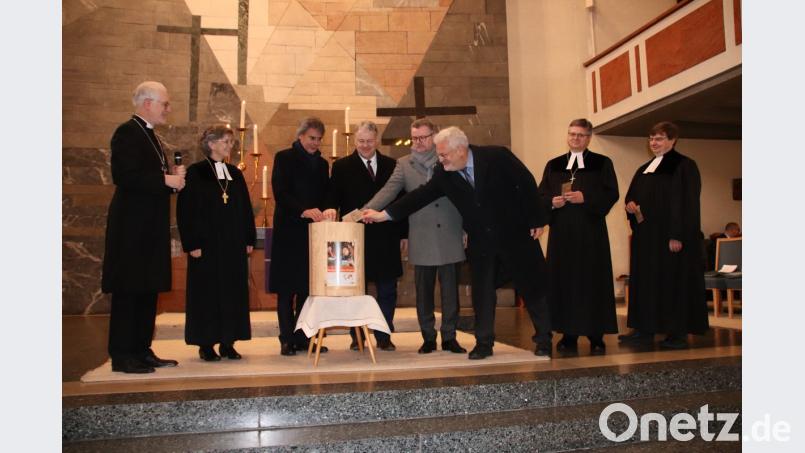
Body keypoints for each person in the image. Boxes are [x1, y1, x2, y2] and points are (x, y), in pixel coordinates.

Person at [363, 126, 553, 359]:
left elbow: (526, 182)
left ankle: (543, 339)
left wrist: (537, 219)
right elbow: (420, 196)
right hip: (482, 242)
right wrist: (384, 215)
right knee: (482, 293)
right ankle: (484, 344)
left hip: (516, 235)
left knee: (531, 287)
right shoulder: (445, 173)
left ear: (461, 150)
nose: (440, 159)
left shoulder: (497, 156)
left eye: (444, 155)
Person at [363, 118, 467, 354]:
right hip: (421, 233)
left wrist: (465, 229)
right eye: (415, 138)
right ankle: (428, 337)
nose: (418, 143)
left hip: (451, 230)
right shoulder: (404, 164)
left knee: (451, 291)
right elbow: (388, 191)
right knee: (424, 292)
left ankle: (450, 336)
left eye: (423, 137)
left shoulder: (449, 158)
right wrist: (365, 210)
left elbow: (465, 197)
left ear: (434, 136)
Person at [101, 81, 185, 373]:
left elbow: (149, 179)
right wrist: (165, 180)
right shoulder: (127, 132)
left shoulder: (150, 136)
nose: (168, 109)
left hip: (149, 229)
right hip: (131, 230)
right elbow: (124, 176)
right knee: (130, 290)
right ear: (147, 103)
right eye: (165, 104)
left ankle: (141, 349)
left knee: (148, 289)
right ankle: (123, 354)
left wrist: (170, 181)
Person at [620, 121, 709, 349]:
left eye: (659, 138)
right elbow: (631, 197)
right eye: (651, 139)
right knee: (646, 283)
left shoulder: (685, 166)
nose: (654, 143)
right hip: (646, 238)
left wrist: (677, 235)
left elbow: (688, 204)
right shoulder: (643, 169)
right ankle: (644, 329)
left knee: (672, 283)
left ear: (672, 140)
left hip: (670, 238)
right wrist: (630, 206)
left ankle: (676, 333)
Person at [538, 119, 619, 355]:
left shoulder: (602, 163)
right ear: (567, 136)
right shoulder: (554, 164)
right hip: (562, 234)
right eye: (572, 134)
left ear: (589, 138)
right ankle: (567, 333)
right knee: (564, 281)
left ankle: (596, 334)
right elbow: (541, 193)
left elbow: (611, 192)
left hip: (590, 233)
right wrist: (551, 203)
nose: (575, 138)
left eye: (581, 135)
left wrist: (586, 198)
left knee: (591, 280)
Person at [323, 121, 405, 351]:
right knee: (356, 291)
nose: (365, 146)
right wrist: (329, 208)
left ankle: (384, 334)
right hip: (354, 238)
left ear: (377, 141)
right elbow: (332, 196)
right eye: (361, 141)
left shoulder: (393, 165)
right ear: (355, 141)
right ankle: (356, 336)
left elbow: (402, 200)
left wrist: (403, 234)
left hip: (386, 235)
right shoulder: (341, 166)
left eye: (370, 141)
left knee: (387, 289)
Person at [177, 126, 256, 361]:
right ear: (211, 144)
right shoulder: (196, 172)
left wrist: (249, 238)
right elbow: (186, 210)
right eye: (225, 141)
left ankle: (228, 342)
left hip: (233, 245)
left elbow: (244, 208)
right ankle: (206, 343)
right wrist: (192, 242)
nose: (230, 145)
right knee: (207, 294)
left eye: (231, 142)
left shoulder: (235, 173)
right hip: (207, 245)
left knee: (232, 292)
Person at [269, 117, 331, 356]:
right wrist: (302, 210)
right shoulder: (284, 158)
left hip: (312, 234)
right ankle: (286, 338)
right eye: (311, 138)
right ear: (300, 136)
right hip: (289, 231)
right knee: (287, 290)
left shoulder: (323, 164)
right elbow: (280, 191)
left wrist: (327, 208)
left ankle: (303, 337)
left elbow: (326, 193)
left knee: (308, 289)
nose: (315, 143)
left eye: (318, 139)